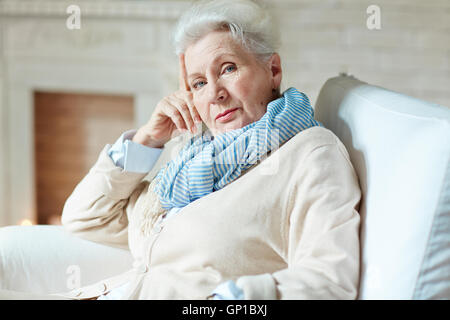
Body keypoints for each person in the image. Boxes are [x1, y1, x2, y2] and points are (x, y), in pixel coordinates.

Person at [1, 0, 361, 300]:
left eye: (229, 68)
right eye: (198, 82)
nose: (214, 93)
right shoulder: (196, 158)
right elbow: (83, 217)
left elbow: (331, 278)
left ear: (274, 70)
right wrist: (148, 139)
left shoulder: (311, 154)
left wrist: (232, 299)